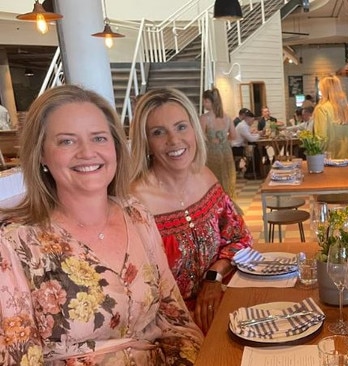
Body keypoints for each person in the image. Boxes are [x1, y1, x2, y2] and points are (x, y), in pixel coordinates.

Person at [0, 85, 203, 364]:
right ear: (42, 155)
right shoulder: (15, 242)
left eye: (98, 138)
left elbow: (175, 321)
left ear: (115, 146)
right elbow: (18, 357)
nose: (87, 152)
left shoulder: (137, 215)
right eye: (67, 141)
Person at [129, 88, 253, 333]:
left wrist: (214, 276)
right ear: (146, 142)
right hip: (167, 328)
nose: (174, 140)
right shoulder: (133, 201)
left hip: (222, 302)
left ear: (195, 130)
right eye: (158, 132)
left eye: (181, 127)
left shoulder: (204, 175)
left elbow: (241, 237)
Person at [200, 89, 237, 201]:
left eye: (205, 101)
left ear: (212, 102)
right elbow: (234, 135)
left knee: (213, 179)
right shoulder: (227, 117)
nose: (204, 104)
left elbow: (200, 137)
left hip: (211, 153)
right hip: (226, 151)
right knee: (227, 178)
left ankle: (216, 206)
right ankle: (228, 205)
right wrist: (223, 140)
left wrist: (211, 141)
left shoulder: (204, 118)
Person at [314, 75, 348, 159]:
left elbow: (321, 139)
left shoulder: (322, 109)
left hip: (329, 160)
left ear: (324, 90)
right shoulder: (347, 109)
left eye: (321, 90)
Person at [232, 108, 263, 179]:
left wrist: (257, 134)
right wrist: (259, 135)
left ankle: (253, 171)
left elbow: (250, 136)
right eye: (252, 121)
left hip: (240, 146)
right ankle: (251, 172)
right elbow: (251, 139)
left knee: (256, 150)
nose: (252, 123)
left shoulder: (244, 125)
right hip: (236, 148)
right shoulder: (243, 126)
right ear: (247, 118)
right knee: (255, 152)